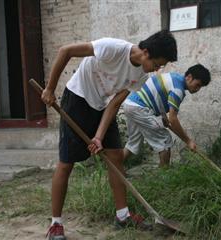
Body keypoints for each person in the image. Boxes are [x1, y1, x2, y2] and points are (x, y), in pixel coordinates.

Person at [42, 30, 177, 240]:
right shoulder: (111, 48)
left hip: (102, 107)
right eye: (158, 64)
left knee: (115, 156)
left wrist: (98, 136)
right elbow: (65, 51)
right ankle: (56, 224)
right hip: (77, 98)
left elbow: (114, 103)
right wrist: (50, 89)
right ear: (146, 52)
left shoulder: (140, 76)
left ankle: (122, 216)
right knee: (66, 162)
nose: (158, 69)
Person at [123, 64, 211, 167]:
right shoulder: (178, 90)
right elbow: (173, 119)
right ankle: (164, 177)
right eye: (197, 85)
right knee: (165, 140)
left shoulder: (174, 77)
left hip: (130, 104)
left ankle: (114, 170)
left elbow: (158, 95)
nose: (197, 89)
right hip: (140, 108)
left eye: (200, 87)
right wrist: (188, 141)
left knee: (133, 144)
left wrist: (163, 116)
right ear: (189, 77)